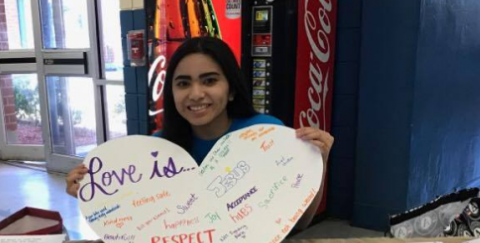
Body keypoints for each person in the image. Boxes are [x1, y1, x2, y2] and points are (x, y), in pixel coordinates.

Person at [65, 36, 334, 230]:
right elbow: (138, 226)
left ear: (231, 89)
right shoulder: (156, 151)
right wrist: (94, 197)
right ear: (171, 93)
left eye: (209, 81)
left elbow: (299, 223)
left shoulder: (267, 134)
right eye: (183, 83)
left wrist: (318, 161)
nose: (196, 94)